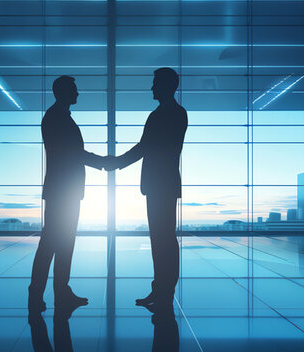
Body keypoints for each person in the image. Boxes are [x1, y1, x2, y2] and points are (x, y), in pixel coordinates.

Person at [107, 67, 188, 310]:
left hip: (161, 184)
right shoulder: (167, 113)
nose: (151, 88)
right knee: (160, 239)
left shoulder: (169, 114)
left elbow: (145, 147)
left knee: (163, 239)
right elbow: (147, 146)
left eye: (155, 83)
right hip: (159, 184)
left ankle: (164, 293)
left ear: (166, 85)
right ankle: (161, 290)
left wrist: (116, 163)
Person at [29, 75, 107, 312]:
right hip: (62, 191)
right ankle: (39, 294)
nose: (78, 93)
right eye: (74, 89)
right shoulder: (56, 118)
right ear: (62, 92)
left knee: (62, 243)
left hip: (65, 191)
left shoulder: (59, 117)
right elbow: (73, 153)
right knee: (52, 242)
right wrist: (104, 162)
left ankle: (60, 291)